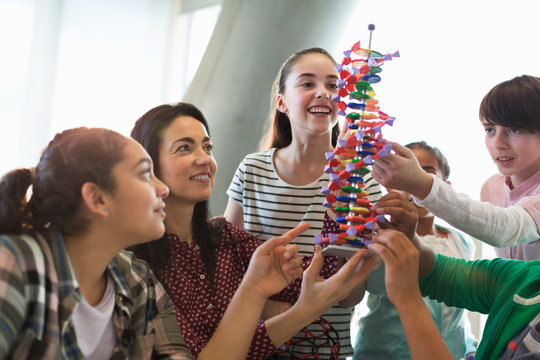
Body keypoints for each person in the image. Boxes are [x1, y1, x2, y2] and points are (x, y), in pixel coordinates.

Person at [0, 127, 334, 360]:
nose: (161, 189)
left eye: (207, 146)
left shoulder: (136, 281)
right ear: (97, 198)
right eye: (146, 173)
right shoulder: (15, 265)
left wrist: (257, 290)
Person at [130, 102, 381, 359]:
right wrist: (289, 307)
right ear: (148, 165)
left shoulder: (226, 239)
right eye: (184, 148)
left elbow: (315, 280)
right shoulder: (135, 264)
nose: (205, 158)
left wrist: (336, 208)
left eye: (207, 147)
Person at [224, 47, 382, 359]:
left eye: (333, 85)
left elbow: (351, 294)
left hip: (326, 352)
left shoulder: (362, 179)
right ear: (281, 102)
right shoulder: (252, 169)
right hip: (251, 347)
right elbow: (225, 267)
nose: (323, 92)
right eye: (307, 83)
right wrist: (271, 307)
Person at [371, 75, 540, 261]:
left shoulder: (460, 241)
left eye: (514, 130)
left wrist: (421, 183)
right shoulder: (492, 187)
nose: (498, 143)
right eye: (490, 129)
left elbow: (505, 229)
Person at [368, 192, 540, 360]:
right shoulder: (525, 278)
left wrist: (408, 299)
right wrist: (409, 239)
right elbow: (440, 275)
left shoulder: (462, 241)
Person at [354, 141, 477, 359]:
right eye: (404, 176)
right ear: (390, 187)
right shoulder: (378, 236)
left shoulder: (463, 242)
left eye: (425, 174)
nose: (413, 183)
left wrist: (468, 347)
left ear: (445, 188)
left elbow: (459, 308)